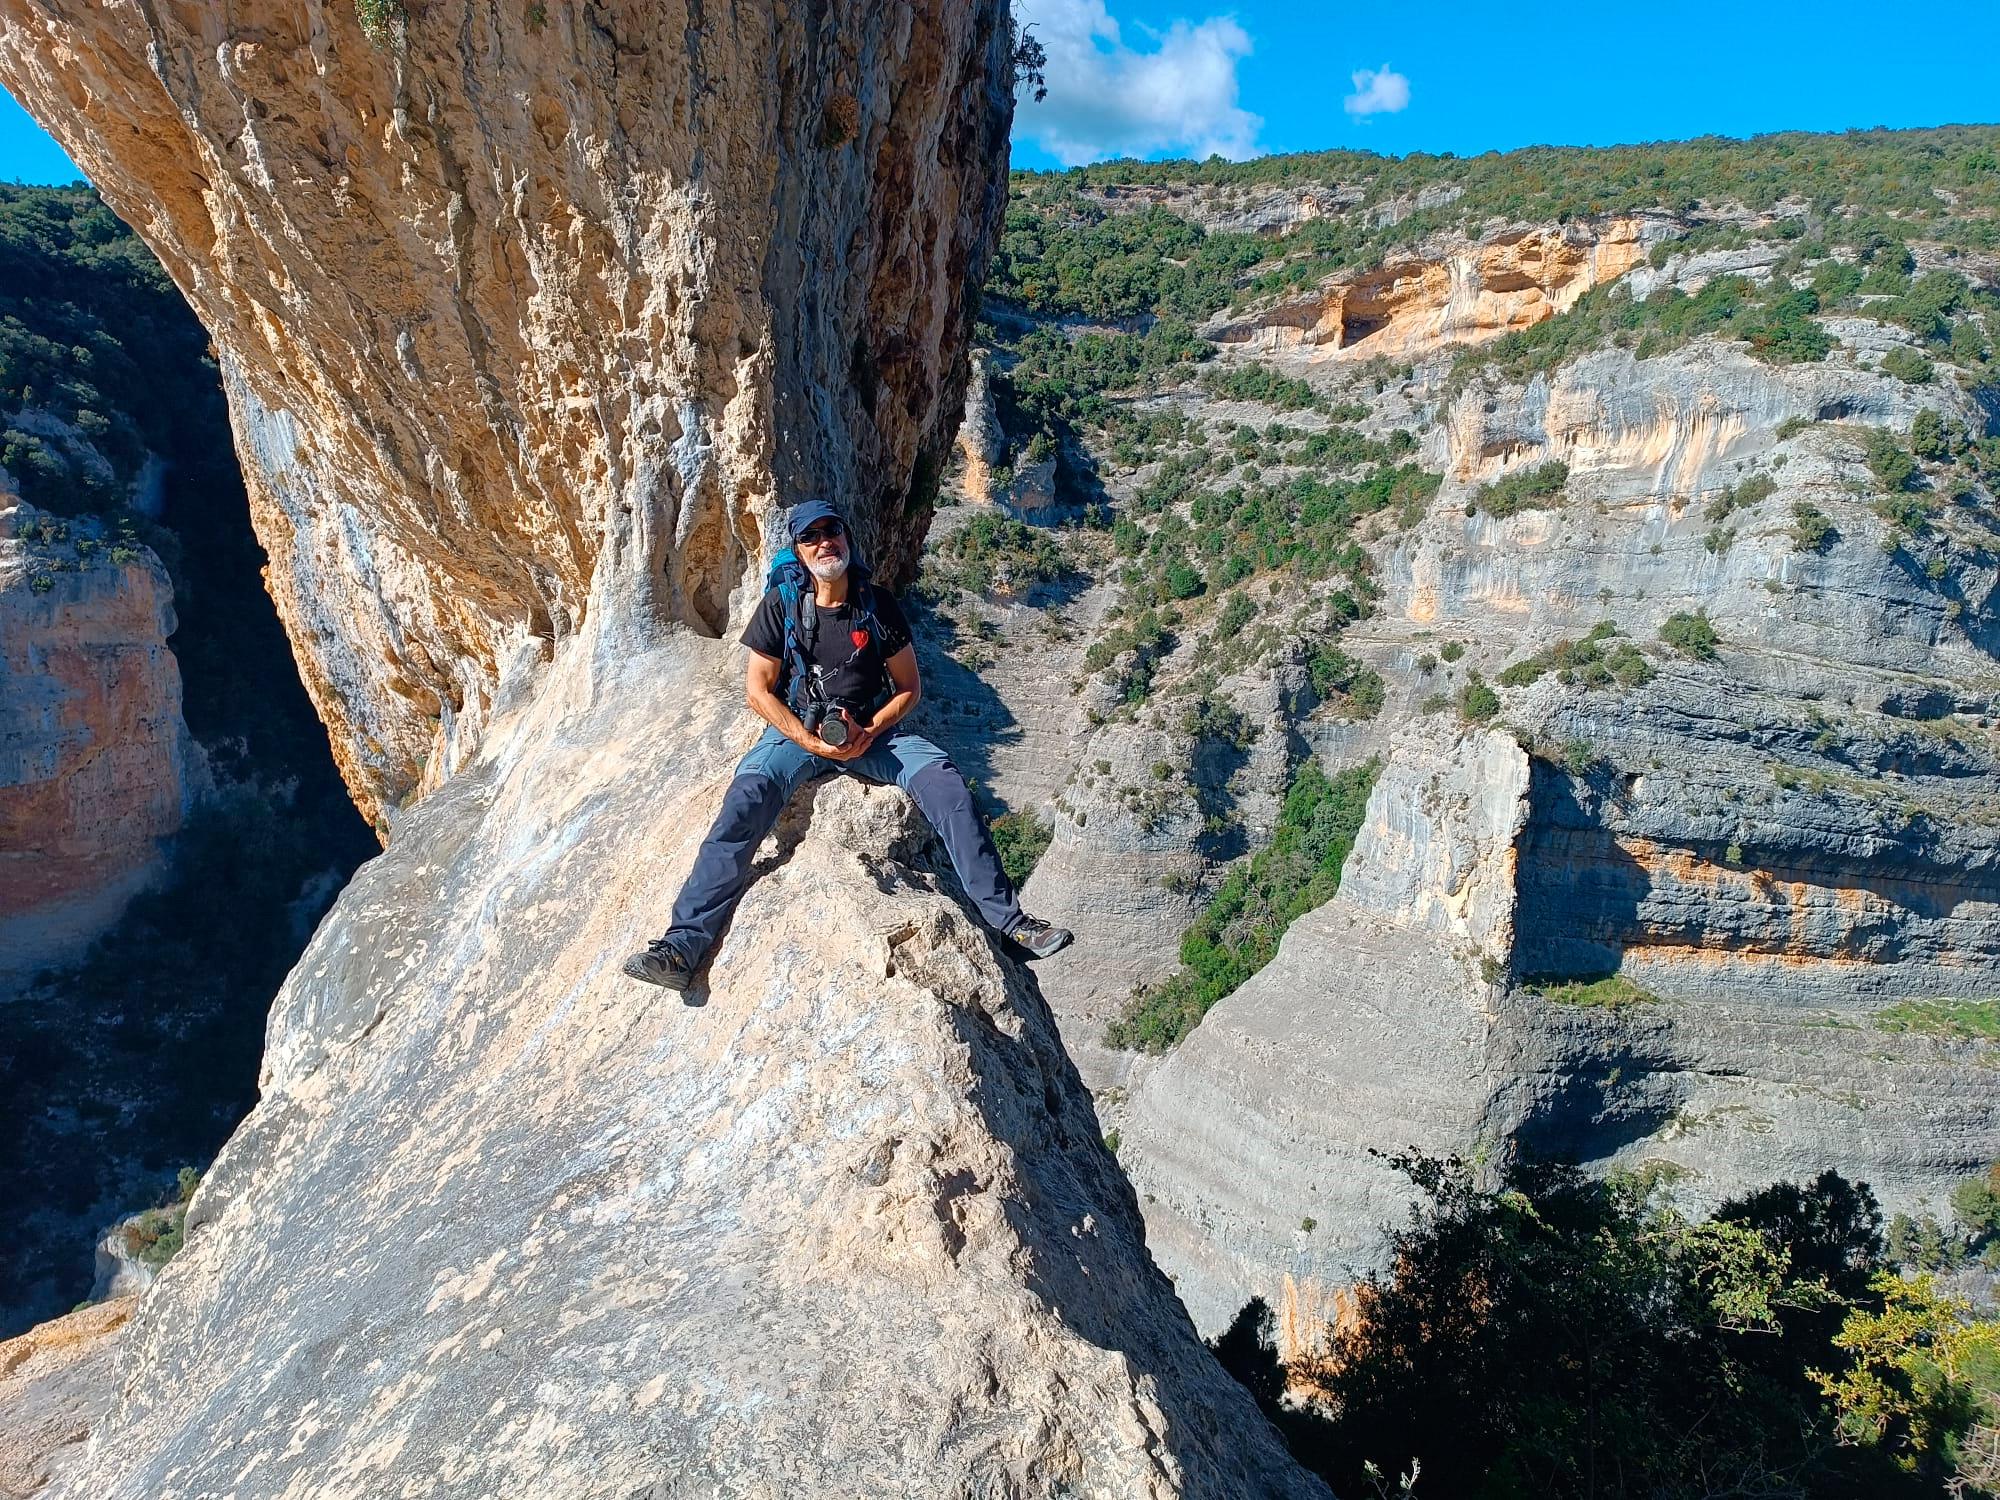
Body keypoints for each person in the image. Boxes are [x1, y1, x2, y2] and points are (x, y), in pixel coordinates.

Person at [623, 499, 1072, 992]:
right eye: (810, 536)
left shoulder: (875, 604)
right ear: (798, 550)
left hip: (870, 732)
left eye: (831, 530)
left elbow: (908, 688)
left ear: (846, 536)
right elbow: (758, 689)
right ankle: (684, 945)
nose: (824, 542)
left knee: (946, 785)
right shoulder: (782, 605)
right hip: (799, 732)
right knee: (744, 802)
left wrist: (869, 731)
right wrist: (806, 736)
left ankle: (1009, 926)